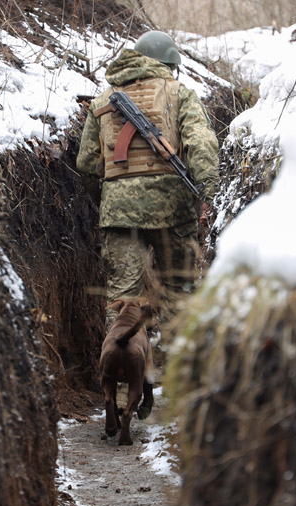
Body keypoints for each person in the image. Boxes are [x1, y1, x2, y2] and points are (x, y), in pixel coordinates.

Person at [76, 30, 220, 415]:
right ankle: (181, 386)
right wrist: (205, 191)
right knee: (180, 293)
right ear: (169, 63)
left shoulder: (104, 98)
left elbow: (87, 164)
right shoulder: (178, 92)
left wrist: (108, 200)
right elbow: (202, 142)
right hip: (174, 210)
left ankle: (120, 396)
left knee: (123, 301)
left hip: (119, 212)